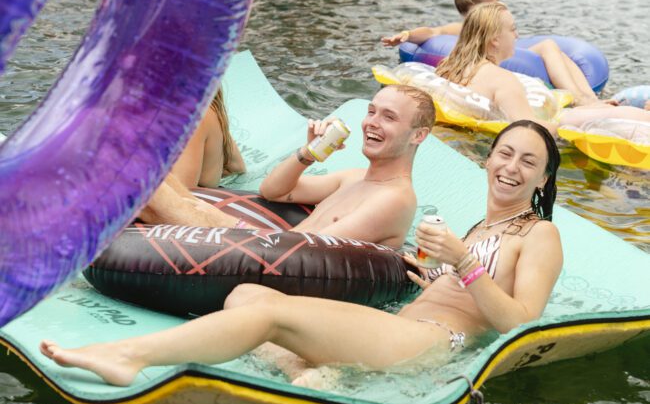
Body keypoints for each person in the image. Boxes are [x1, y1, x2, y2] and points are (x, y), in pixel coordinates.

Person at [40, 121, 563, 389]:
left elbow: (521, 324)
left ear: (543, 178)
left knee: (268, 313)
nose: (511, 167)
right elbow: (470, 295)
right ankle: (305, 370)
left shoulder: (541, 235)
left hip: (432, 343)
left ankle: (129, 358)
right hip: (406, 326)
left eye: (528, 161)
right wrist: (436, 275)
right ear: (489, 158)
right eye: (505, 153)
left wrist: (464, 264)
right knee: (245, 292)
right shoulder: (484, 225)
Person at [141, 85, 435, 249]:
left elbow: (310, 248)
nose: (372, 122)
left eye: (389, 117)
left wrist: (226, 224)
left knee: (144, 190)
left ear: (419, 135)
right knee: (157, 180)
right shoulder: (354, 179)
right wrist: (309, 153)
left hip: (268, 257)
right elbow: (273, 190)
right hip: (261, 245)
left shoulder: (394, 199)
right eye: (371, 111)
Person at [381, 0, 608, 105]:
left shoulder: (501, 28)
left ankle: (590, 99)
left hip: (518, 50)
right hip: (511, 57)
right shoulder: (461, 28)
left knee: (555, 50)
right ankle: (579, 99)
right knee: (549, 46)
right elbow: (432, 33)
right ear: (472, 9)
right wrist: (408, 35)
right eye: (494, 3)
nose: (502, 6)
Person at [433, 2, 650, 136]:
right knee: (618, 114)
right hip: (550, 121)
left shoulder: (450, 66)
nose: (517, 36)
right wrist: (574, 134)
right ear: (495, 40)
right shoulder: (501, 80)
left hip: (545, 110)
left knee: (593, 109)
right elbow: (528, 127)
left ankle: (590, 103)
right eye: (513, 29)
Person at [170, 86, 246, 188]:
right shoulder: (206, 104)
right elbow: (236, 166)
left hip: (195, 198)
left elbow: (183, 191)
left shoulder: (191, 116)